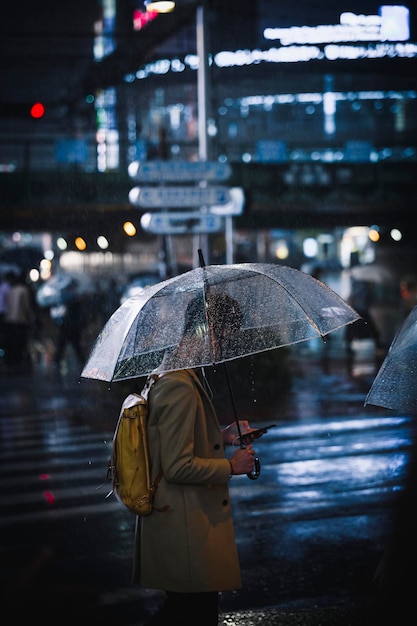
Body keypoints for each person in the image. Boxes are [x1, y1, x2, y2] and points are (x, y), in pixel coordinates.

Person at [133, 293, 261, 626]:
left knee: (184, 613)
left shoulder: (174, 371)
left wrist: (223, 435)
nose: (222, 349)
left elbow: (171, 441)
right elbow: (177, 466)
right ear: (206, 330)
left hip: (181, 525)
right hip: (186, 529)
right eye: (224, 338)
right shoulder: (179, 385)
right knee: (193, 616)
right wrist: (232, 467)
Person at [4, 270, 35, 373]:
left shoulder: (12, 290)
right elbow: (26, 306)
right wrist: (30, 318)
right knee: (20, 342)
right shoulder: (24, 290)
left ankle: (11, 361)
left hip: (10, 320)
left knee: (12, 342)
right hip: (20, 320)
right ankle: (18, 361)